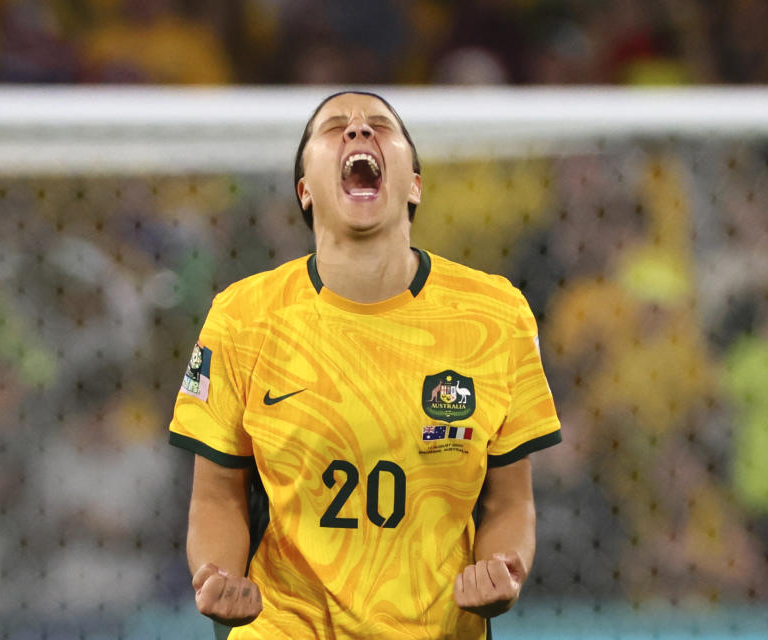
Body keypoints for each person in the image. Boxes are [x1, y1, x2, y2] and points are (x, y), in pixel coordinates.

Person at [168, 91, 562, 639]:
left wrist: (503, 569)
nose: (357, 131)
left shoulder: (495, 315)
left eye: (380, 124)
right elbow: (216, 495)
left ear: (415, 184)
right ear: (305, 191)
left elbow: (511, 498)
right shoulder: (243, 316)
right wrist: (218, 575)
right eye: (334, 128)